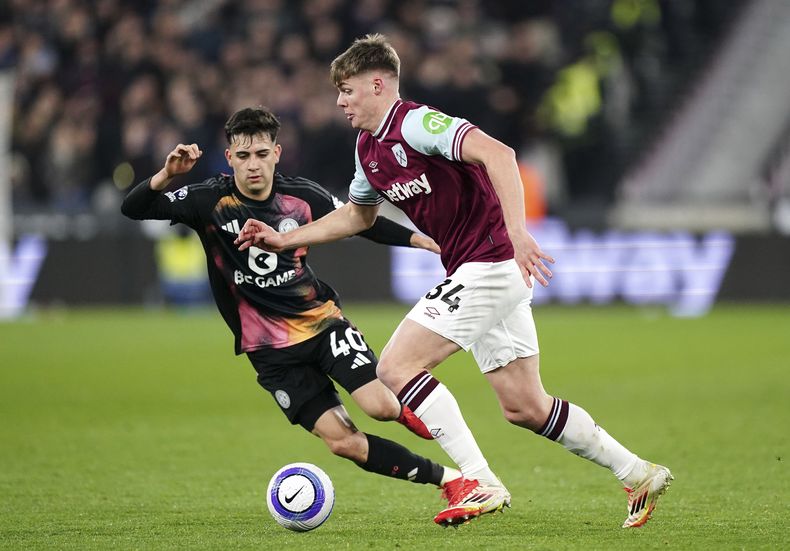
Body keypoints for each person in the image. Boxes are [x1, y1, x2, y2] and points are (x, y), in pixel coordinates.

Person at [235, 34, 673, 528]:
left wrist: (519, 233)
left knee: (396, 368)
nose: (340, 101)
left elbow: (501, 155)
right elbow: (356, 217)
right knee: (525, 407)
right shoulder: (367, 149)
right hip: (478, 268)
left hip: (491, 262)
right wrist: (281, 239)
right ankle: (637, 471)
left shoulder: (418, 123)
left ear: (377, 84)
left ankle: (480, 481)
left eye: (347, 90)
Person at [121, 107, 464, 500]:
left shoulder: (302, 196)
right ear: (230, 157)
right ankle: (450, 480)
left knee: (381, 407)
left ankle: (423, 420)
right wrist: (167, 175)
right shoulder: (207, 199)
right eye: (245, 156)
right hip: (267, 350)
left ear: (277, 154)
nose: (254, 166)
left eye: (262, 154)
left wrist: (419, 240)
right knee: (343, 442)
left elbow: (360, 221)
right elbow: (133, 208)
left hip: (320, 324)